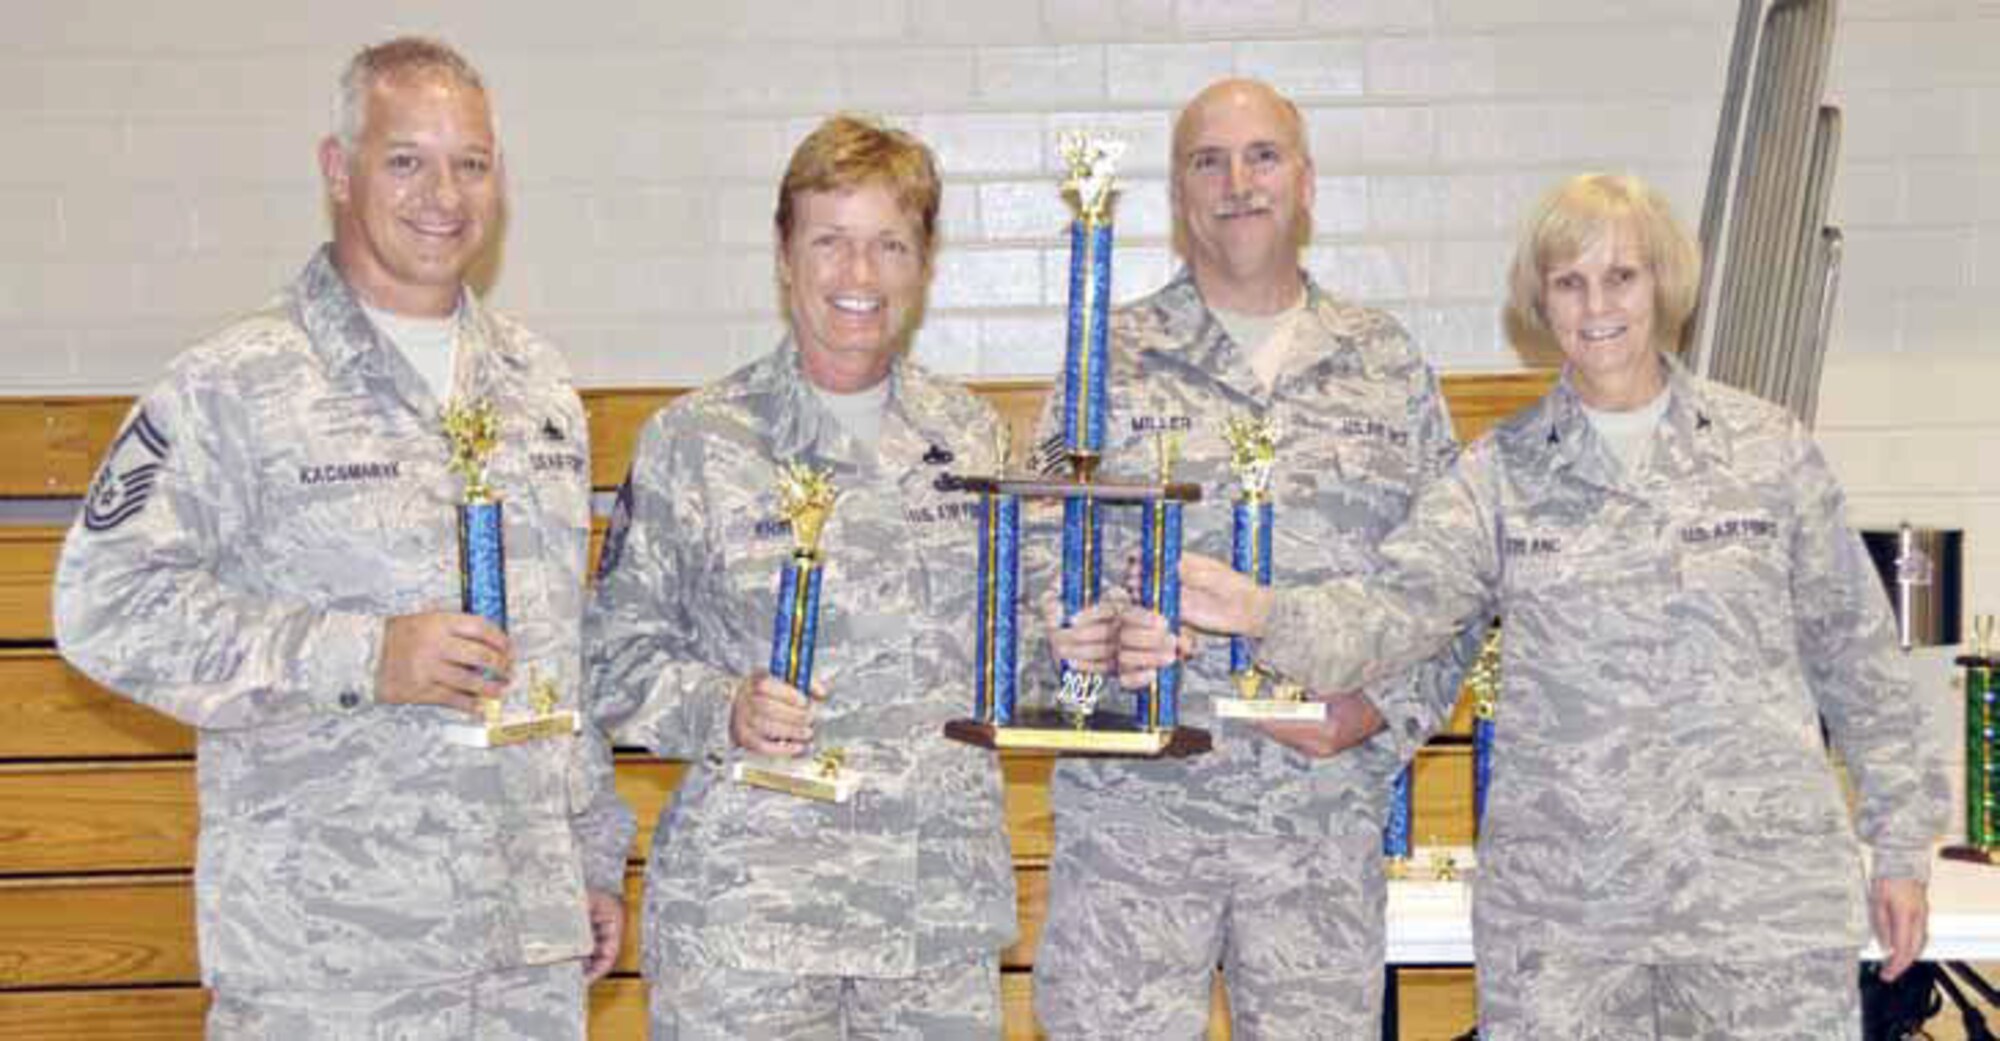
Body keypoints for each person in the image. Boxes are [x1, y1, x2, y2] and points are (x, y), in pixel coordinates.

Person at [1176, 172, 1949, 1039]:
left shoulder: (1767, 451)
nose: (1598, 305)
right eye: (1569, 283)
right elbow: (1393, 611)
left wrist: (1899, 845)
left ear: (1664, 285)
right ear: (1540, 304)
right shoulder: (1498, 474)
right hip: (1568, 934)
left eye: (1621, 276)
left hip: (1756, 919)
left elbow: (1860, 658)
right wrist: (1261, 611)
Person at [52, 37, 633, 1039]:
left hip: (522, 968)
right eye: (406, 159)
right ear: (338, 169)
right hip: (331, 965)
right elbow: (103, 607)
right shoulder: (234, 384)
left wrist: (585, 854)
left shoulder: (538, 390)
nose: (441, 195)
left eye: (472, 163)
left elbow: (557, 654)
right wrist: (363, 654)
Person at [1029, 78, 1478, 1039]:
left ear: (1306, 181)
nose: (1237, 181)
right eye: (1208, 160)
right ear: (1180, 193)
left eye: (1262, 156)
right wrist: (1083, 640)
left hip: (1317, 833)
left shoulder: (1387, 363)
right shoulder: (1101, 362)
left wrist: (1378, 713)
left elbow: (1454, 584)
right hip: (1135, 831)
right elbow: (1031, 555)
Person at [585, 114, 1014, 1039]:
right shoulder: (695, 442)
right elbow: (612, 658)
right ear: (784, 255)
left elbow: (1022, 644)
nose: (859, 276)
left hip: (933, 930)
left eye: (888, 244)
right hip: (751, 929)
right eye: (831, 242)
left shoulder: (976, 440)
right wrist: (721, 705)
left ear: (923, 263)